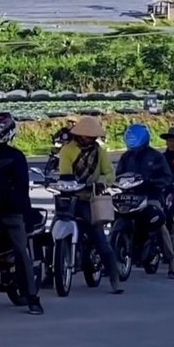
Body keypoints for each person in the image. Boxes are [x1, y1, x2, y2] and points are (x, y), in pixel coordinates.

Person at [0, 111, 44, 315]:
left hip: (12, 211)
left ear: (4, 132)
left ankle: (33, 298)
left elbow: (21, 190)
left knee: (21, 250)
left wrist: (0, 203)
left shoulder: (16, 157)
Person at [58, 115, 123, 294]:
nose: (92, 139)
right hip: (70, 197)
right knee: (55, 230)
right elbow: (64, 173)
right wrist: (68, 184)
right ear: (80, 135)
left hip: (90, 198)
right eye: (89, 136)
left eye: (93, 136)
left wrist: (102, 183)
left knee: (100, 240)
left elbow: (109, 173)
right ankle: (53, 272)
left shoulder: (99, 151)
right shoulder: (67, 150)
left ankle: (114, 278)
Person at [116, 122, 174, 279]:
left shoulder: (156, 157)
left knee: (159, 224)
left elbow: (167, 177)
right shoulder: (126, 157)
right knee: (114, 221)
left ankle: (172, 263)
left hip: (150, 197)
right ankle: (109, 261)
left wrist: (152, 182)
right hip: (129, 198)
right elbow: (117, 176)